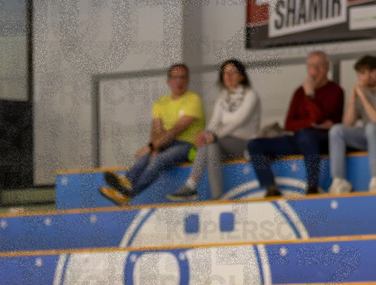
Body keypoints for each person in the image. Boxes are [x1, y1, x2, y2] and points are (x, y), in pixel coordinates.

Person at [99, 63, 205, 206]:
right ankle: (126, 184)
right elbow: (156, 131)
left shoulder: (194, 99)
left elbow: (177, 129)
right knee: (144, 158)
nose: (179, 81)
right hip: (165, 144)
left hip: (188, 145)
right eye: (175, 77)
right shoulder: (160, 103)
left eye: (182, 77)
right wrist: (154, 148)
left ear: (187, 80)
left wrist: (154, 148)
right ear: (168, 81)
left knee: (159, 159)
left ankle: (127, 192)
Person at [246, 51, 344, 197]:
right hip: (298, 138)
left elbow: (318, 118)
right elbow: (289, 124)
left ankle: (312, 187)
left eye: (319, 66)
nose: (315, 70)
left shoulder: (335, 90)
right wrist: (310, 123)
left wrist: (310, 95)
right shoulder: (299, 92)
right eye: (311, 66)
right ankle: (270, 187)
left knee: (306, 136)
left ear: (327, 68)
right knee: (254, 145)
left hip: (322, 140)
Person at [167, 59, 261, 201]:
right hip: (223, 143)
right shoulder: (223, 97)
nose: (228, 76)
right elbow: (214, 122)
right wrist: (205, 134)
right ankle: (211, 193)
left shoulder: (250, 95)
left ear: (241, 76)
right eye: (225, 73)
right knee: (209, 144)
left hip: (245, 143)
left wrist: (214, 136)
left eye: (232, 72)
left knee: (211, 142)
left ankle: (193, 186)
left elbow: (238, 121)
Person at [328, 54, 376, 194]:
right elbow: (348, 123)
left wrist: (362, 96)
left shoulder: (366, 94)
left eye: (362, 73)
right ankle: (339, 180)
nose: (360, 78)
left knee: (371, 128)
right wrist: (352, 99)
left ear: (373, 73)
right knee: (337, 130)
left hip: (373, 131)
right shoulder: (362, 92)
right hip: (369, 137)